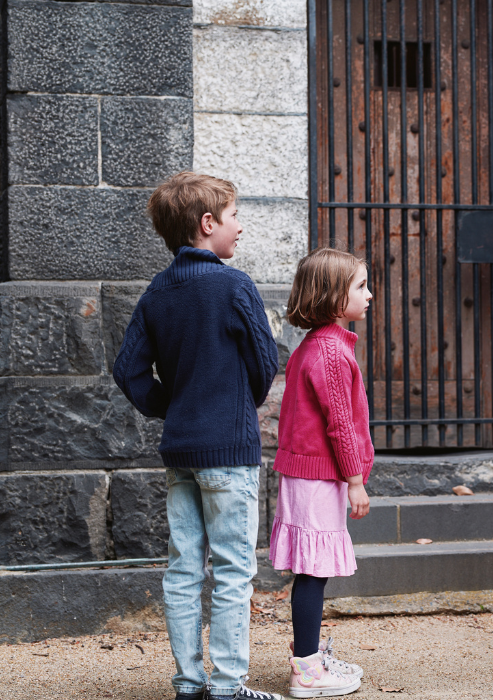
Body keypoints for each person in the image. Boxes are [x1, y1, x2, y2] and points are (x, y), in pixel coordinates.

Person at [113, 171, 282, 700]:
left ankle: (190, 685)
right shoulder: (234, 285)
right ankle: (229, 689)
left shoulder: (157, 293)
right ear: (207, 224)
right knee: (233, 570)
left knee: (183, 568)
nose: (240, 227)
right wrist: (237, 402)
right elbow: (264, 362)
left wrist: (173, 406)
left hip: (181, 451)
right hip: (228, 451)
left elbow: (128, 370)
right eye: (234, 217)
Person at [270, 247, 375, 698]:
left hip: (307, 474)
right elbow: (341, 424)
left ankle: (308, 654)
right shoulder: (330, 353)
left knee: (312, 571)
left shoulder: (317, 346)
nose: (369, 295)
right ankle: (308, 671)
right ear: (334, 298)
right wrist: (355, 481)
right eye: (360, 287)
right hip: (318, 477)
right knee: (312, 573)